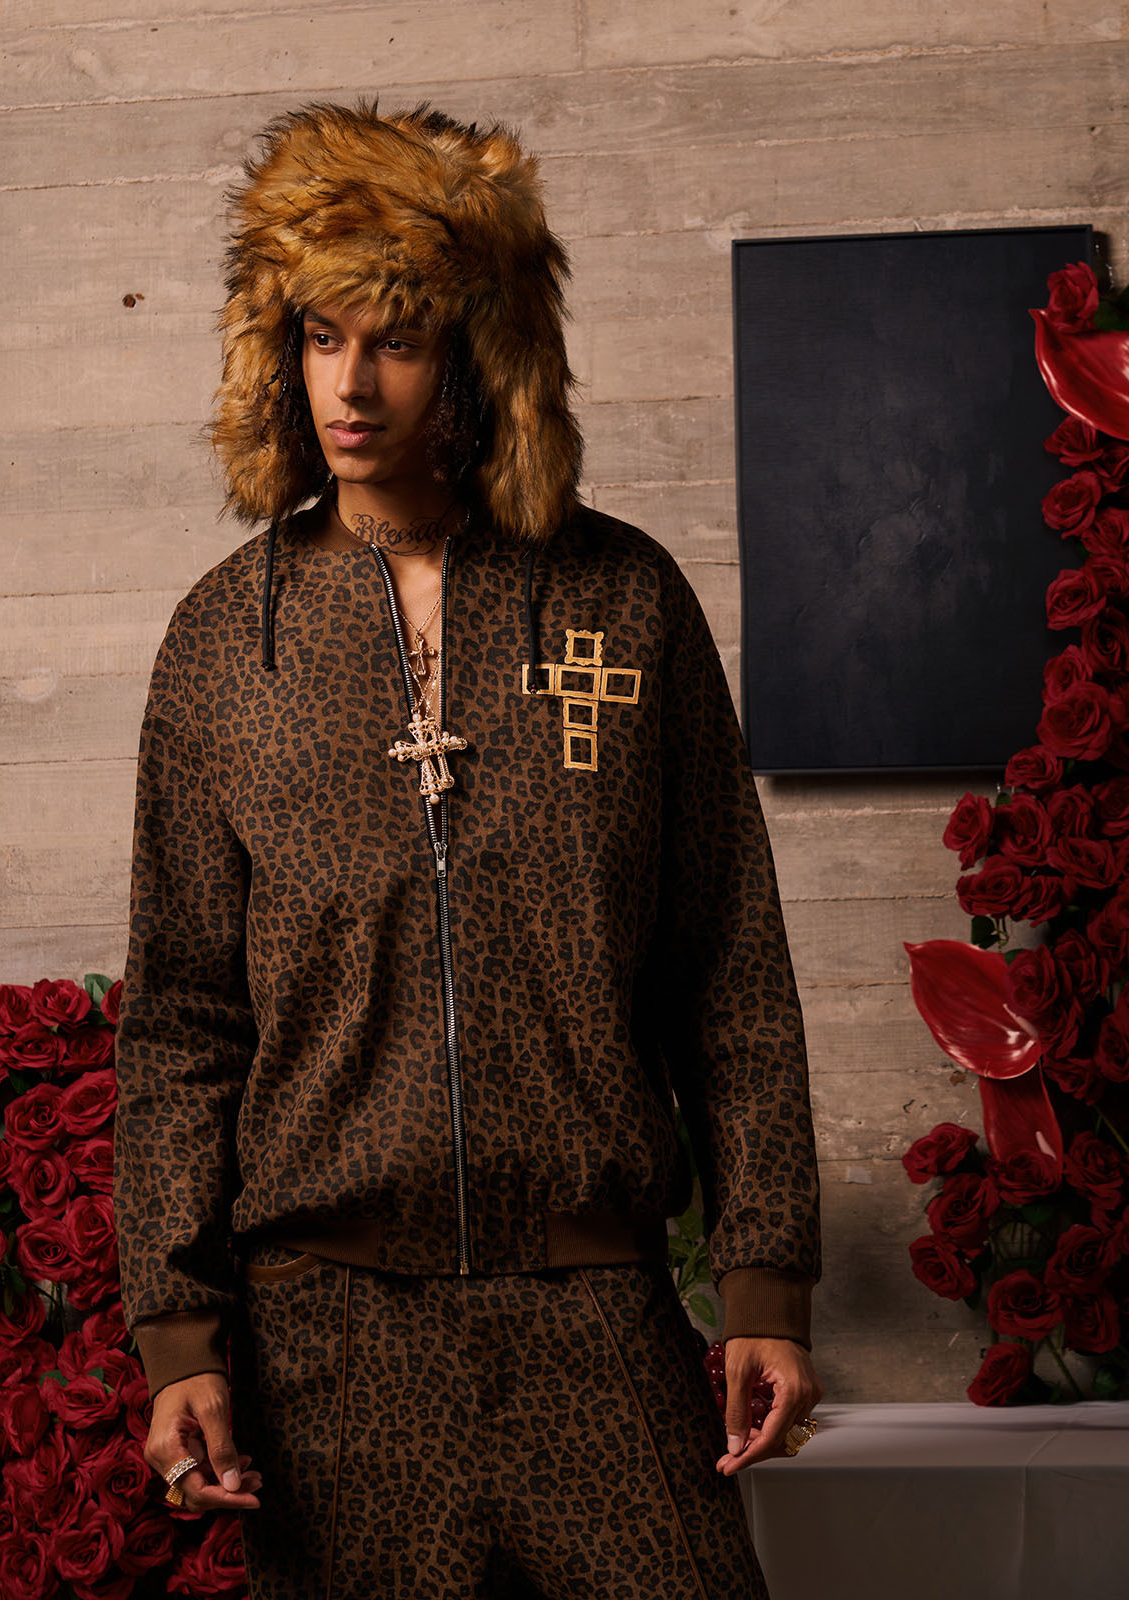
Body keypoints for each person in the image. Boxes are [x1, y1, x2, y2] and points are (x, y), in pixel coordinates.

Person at [112, 99, 823, 1600]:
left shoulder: (624, 601)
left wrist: (763, 1276)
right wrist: (178, 1334)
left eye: (397, 339)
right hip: (327, 1345)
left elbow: (729, 966)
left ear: (482, 352)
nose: (349, 385)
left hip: (595, 1316)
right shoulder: (224, 643)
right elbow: (182, 1018)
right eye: (319, 336)